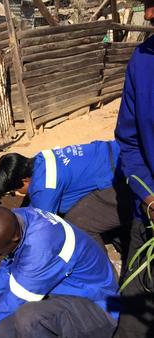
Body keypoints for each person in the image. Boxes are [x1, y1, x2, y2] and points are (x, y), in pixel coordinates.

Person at [0, 206, 119, 338]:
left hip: (97, 307)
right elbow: (8, 266)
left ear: (15, 237)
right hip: (62, 293)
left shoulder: (41, 246)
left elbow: (19, 296)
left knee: (29, 319)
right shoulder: (18, 219)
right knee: (6, 330)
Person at [0, 140, 133, 251]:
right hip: (116, 151)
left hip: (121, 175)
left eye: (15, 190)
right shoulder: (42, 158)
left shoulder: (45, 185)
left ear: (24, 181)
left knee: (77, 222)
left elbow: (42, 224)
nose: (16, 194)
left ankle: (100, 269)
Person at [114, 1, 154, 336]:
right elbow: (128, 144)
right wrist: (149, 198)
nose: (150, 14)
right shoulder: (142, 62)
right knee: (131, 325)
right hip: (149, 220)